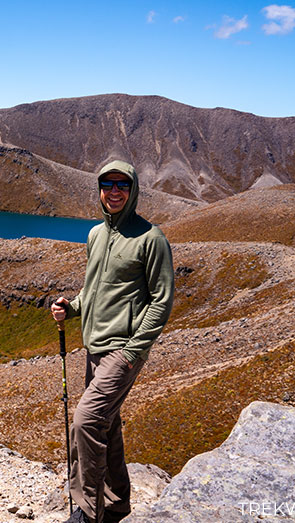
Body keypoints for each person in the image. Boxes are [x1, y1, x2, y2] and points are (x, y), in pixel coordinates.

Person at [51, 160, 174, 523]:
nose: (115, 191)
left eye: (123, 185)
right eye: (108, 184)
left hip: (124, 351)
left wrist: (135, 351)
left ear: (133, 190)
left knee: (86, 421)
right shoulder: (95, 235)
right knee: (108, 424)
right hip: (94, 347)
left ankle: (88, 511)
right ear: (100, 190)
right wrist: (71, 309)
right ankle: (118, 504)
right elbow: (92, 289)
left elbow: (162, 299)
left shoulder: (151, 239)